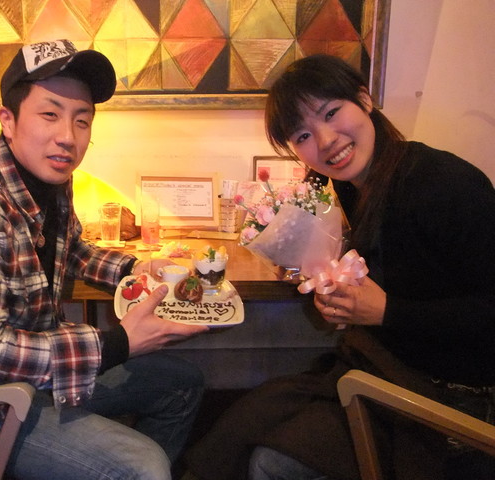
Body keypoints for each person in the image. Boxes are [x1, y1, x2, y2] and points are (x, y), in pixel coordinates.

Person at [0, 39, 208, 480]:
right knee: (144, 465)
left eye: (82, 120)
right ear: (8, 121)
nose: (68, 136)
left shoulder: (49, 180)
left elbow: (73, 250)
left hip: (35, 374)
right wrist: (116, 344)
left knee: (182, 384)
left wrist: (134, 269)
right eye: (50, 114)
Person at [184, 54, 495, 480]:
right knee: (243, 424)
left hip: (452, 400)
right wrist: (341, 296)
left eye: (331, 113)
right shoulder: (355, 186)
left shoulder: (442, 183)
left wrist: (386, 312)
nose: (326, 140)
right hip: (384, 369)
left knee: (269, 461)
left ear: (364, 99)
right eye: (304, 134)